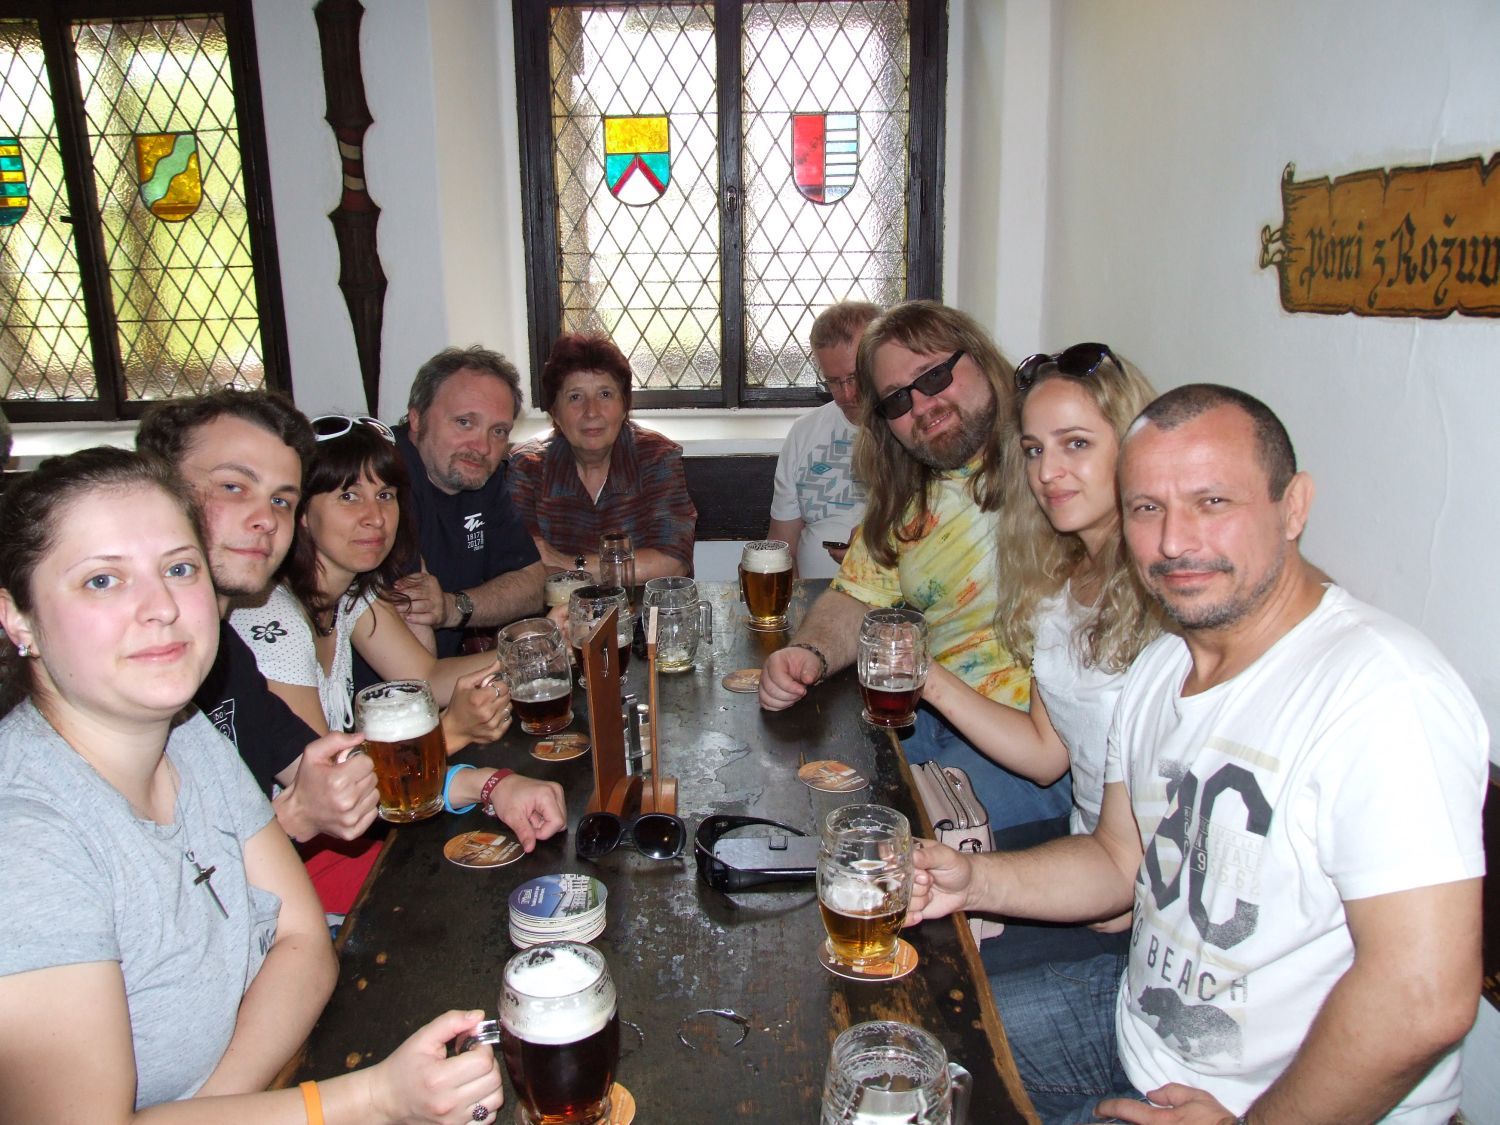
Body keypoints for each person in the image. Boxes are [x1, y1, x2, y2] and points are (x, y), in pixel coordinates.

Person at [906, 385, 1487, 1124]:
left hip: (1268, 1102)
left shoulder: (1381, 691)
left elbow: (1422, 998)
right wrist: (973, 881)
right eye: (1148, 507)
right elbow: (1116, 860)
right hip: (1137, 1027)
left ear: (1293, 507)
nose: (1175, 541)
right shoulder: (1161, 667)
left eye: (1212, 502)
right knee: (898, 1046)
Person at [0, 447, 504, 1122]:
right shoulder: (24, 839)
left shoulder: (184, 733)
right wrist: (371, 1099)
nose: (161, 607)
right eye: (102, 580)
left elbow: (305, 945)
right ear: (18, 618)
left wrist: (219, 1108)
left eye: (179, 569)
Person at [917, 343, 1162, 1118]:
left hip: (1130, 919)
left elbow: (1132, 863)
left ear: (1137, 448)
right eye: (1033, 449)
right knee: (912, 974)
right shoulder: (1064, 578)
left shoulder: (1170, 592)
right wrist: (926, 677)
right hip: (1088, 869)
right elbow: (1048, 753)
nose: (1049, 470)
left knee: (936, 1026)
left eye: (1076, 443)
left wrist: (1121, 890)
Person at [758, 299, 1072, 846]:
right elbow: (857, 594)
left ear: (980, 358)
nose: (922, 404)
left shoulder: (1049, 466)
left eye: (933, 376)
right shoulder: (910, 492)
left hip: (1031, 745)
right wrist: (809, 652)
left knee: (880, 849)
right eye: (898, 399)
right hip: (928, 717)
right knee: (793, 796)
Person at [390, 346, 547, 656]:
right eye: (464, 423)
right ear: (417, 418)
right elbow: (418, 658)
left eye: (498, 431)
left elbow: (533, 585)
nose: (482, 447)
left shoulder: (483, 479)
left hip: (444, 674)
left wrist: (452, 607)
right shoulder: (382, 481)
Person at [507, 332, 697, 579]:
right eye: (575, 397)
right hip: (557, 605)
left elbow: (672, 564)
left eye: (605, 394)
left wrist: (567, 562)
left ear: (625, 406)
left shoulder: (656, 457)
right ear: (555, 412)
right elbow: (524, 568)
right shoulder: (527, 466)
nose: (591, 412)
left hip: (640, 605)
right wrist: (631, 566)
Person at [767, 300, 878, 579]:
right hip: (812, 597)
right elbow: (783, 544)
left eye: (854, 378)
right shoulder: (804, 432)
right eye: (833, 382)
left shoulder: (911, 430)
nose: (846, 395)